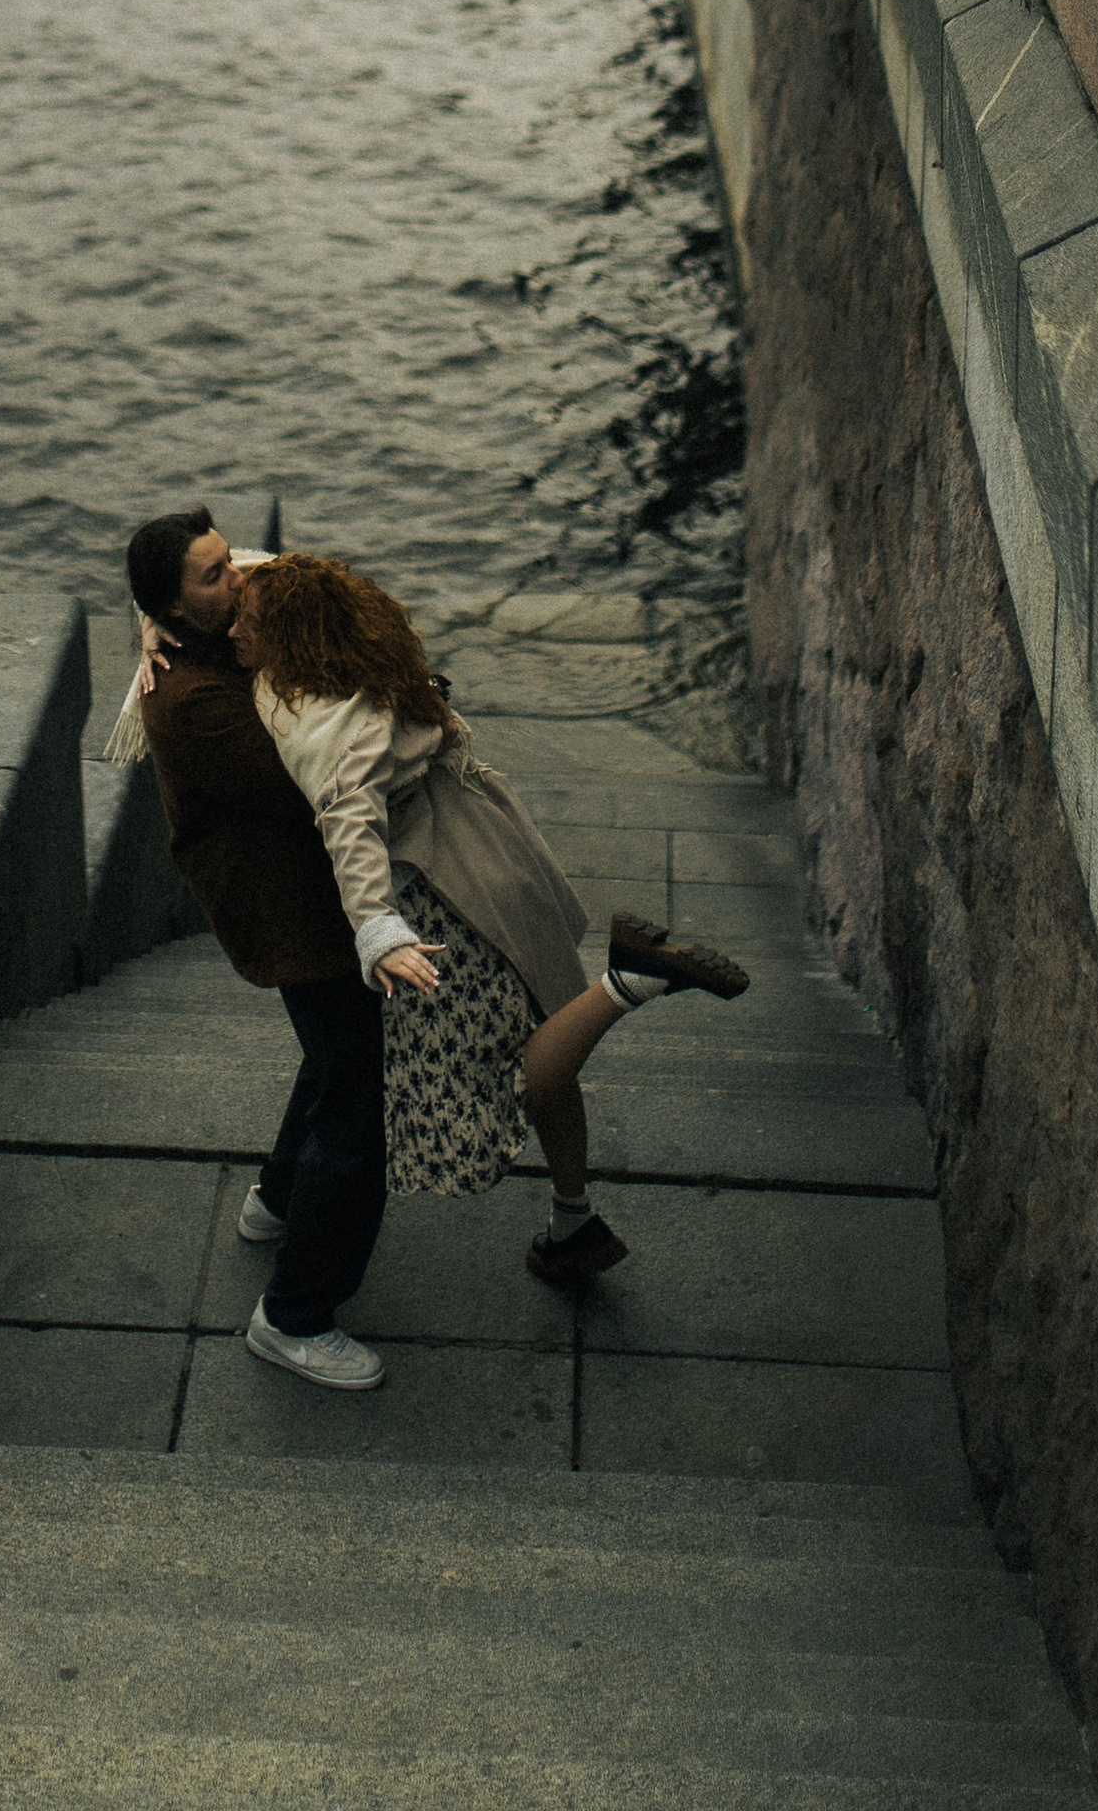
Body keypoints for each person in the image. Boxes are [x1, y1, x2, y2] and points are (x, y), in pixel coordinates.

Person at [225, 549, 748, 1283]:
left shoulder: (323, 721)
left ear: (289, 635)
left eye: (247, 623)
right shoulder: (354, 653)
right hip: (487, 848)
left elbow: (349, 822)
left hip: (446, 903)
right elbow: (246, 560)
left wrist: (377, 930)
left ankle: (630, 980)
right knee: (552, 1025)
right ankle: (573, 1221)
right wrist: (155, 620)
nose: (233, 632)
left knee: (519, 1069)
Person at [115, 507, 391, 1393]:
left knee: (333, 1056)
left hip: (305, 891)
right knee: (358, 1112)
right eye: (213, 575)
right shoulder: (191, 703)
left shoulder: (206, 620)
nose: (237, 578)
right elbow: (317, 777)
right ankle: (296, 1316)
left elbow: (288, 575)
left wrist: (161, 618)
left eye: (226, 559)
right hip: (290, 912)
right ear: (172, 607)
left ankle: (277, 1197)